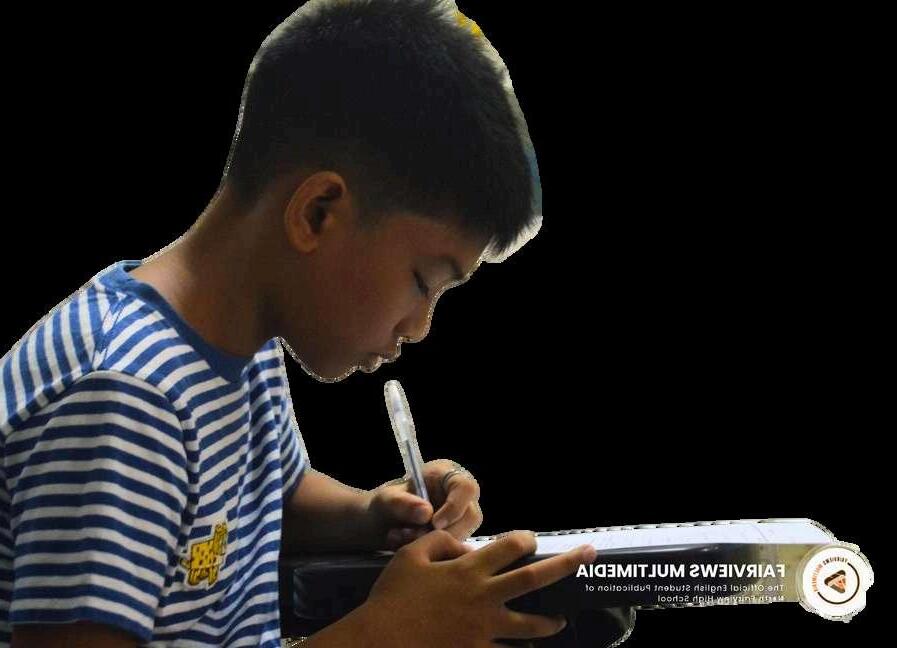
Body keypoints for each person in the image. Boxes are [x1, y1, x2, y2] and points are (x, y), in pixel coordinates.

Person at [0, 1, 594, 645]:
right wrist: (388, 632)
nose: (420, 327)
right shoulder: (126, 396)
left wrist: (371, 513)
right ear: (317, 212)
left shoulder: (234, 341)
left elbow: (271, 496)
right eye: (424, 281)